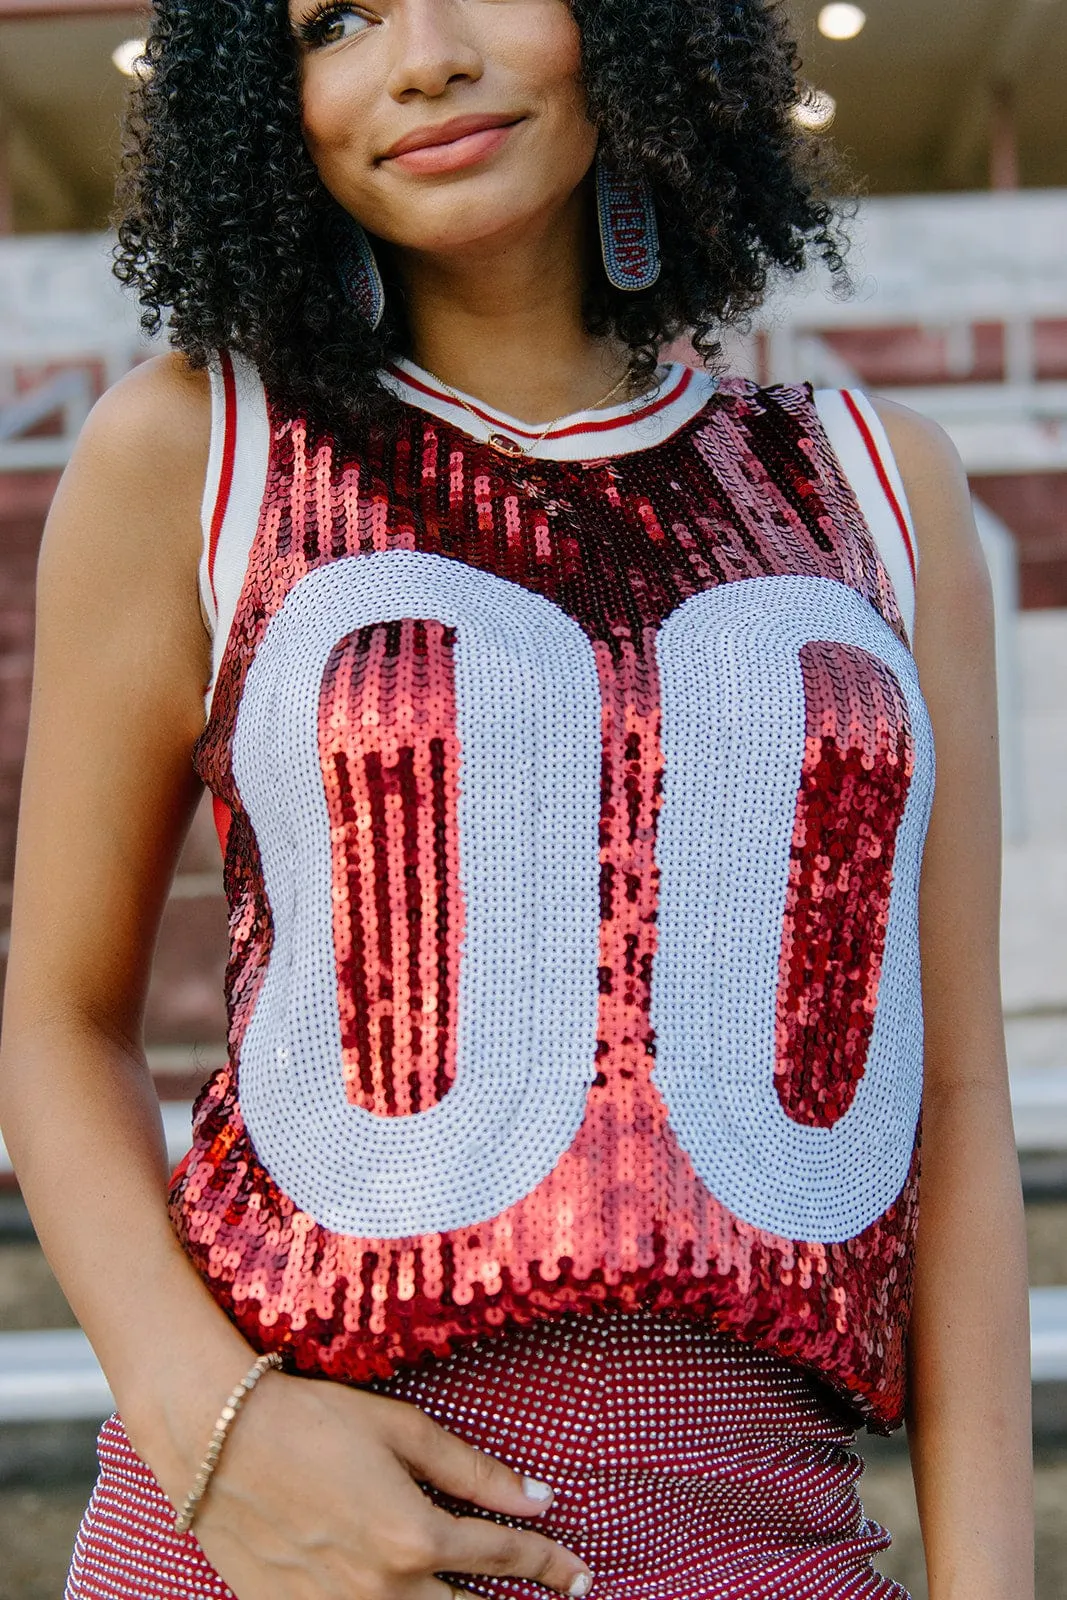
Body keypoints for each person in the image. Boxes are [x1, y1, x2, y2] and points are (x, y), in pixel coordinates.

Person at [0, 0, 1033, 1596]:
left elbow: (958, 1101)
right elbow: (59, 1021)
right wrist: (219, 1437)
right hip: (281, 1539)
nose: (419, 56)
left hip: (752, 1533)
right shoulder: (198, 455)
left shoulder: (878, 489)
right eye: (330, 20)